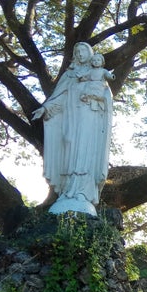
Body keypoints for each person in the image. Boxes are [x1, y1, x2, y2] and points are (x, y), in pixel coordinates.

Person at [32, 43, 114, 216]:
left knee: (84, 152)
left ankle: (83, 193)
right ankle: (67, 191)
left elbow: (105, 94)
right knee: (68, 149)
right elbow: (60, 97)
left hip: (89, 119)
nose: (80, 54)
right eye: (77, 51)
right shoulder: (69, 75)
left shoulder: (96, 73)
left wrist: (95, 96)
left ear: (90, 53)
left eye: (83, 51)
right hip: (70, 119)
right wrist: (45, 108)